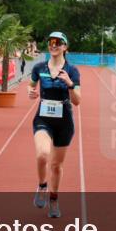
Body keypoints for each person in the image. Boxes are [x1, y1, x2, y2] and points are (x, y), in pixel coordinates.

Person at [27, 32, 81, 218]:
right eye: (51, 42)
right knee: (42, 154)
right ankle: (42, 185)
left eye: (58, 42)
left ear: (65, 47)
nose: (54, 45)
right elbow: (31, 85)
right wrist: (31, 92)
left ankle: (54, 199)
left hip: (64, 120)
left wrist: (70, 84)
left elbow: (78, 101)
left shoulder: (72, 71)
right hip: (43, 118)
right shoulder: (39, 67)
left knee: (56, 165)